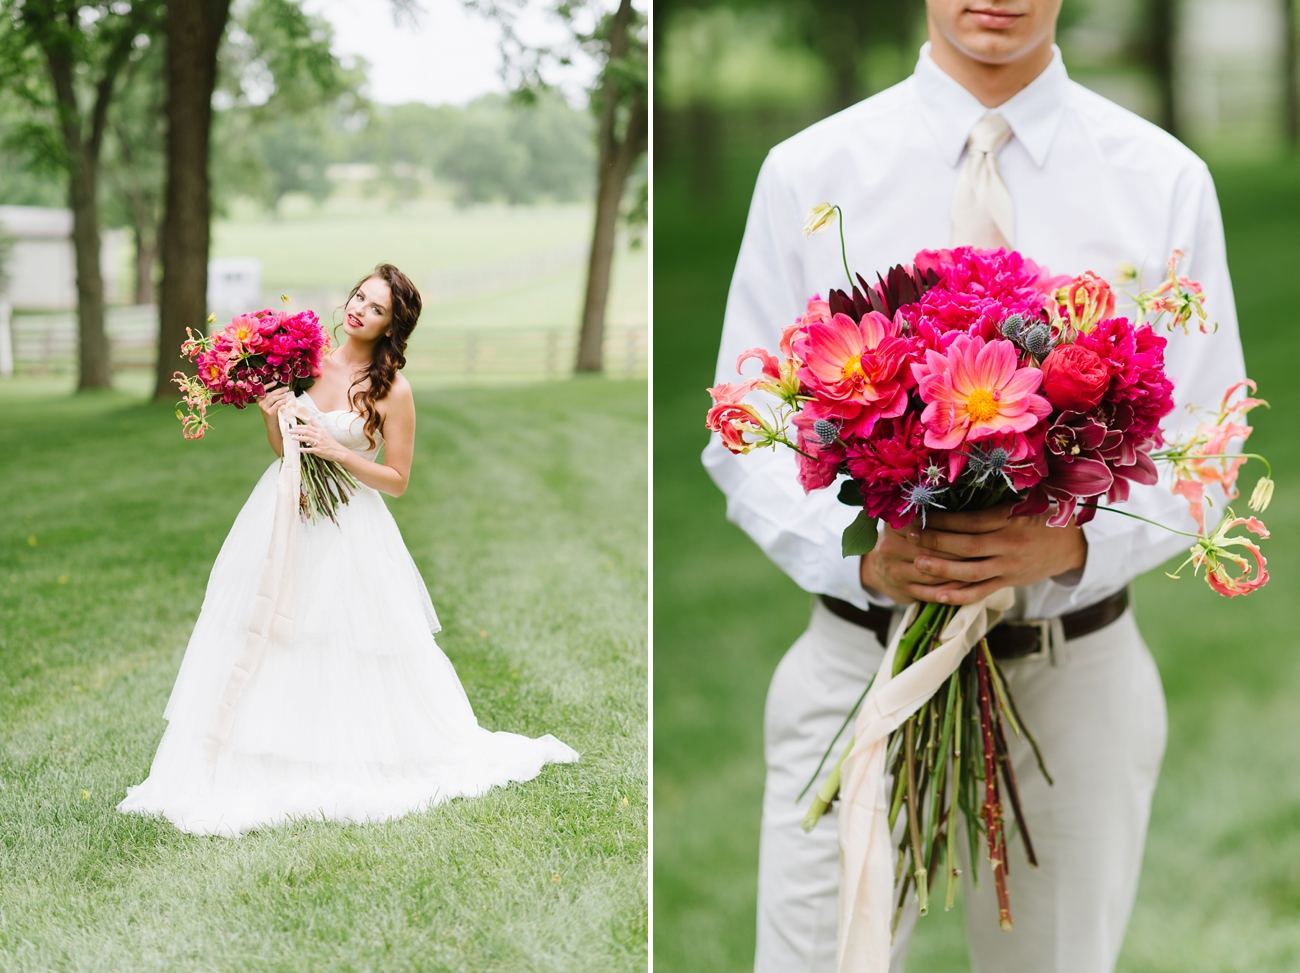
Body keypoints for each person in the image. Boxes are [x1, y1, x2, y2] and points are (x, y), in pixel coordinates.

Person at [703, 2, 1246, 971]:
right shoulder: (810, 171)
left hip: (1070, 674)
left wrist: (1075, 544)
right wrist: (865, 562)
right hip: (856, 663)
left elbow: (1208, 439)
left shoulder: (1161, 178)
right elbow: (743, 427)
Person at [120, 263, 578, 838]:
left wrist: (335, 456)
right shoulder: (303, 361)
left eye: (377, 307)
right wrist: (273, 417)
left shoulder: (392, 390)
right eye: (360, 297)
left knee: (340, 635)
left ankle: (346, 755)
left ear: (392, 327)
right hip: (286, 507)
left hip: (348, 525)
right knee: (267, 627)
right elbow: (282, 447)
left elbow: (396, 478)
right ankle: (253, 758)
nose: (359, 309)